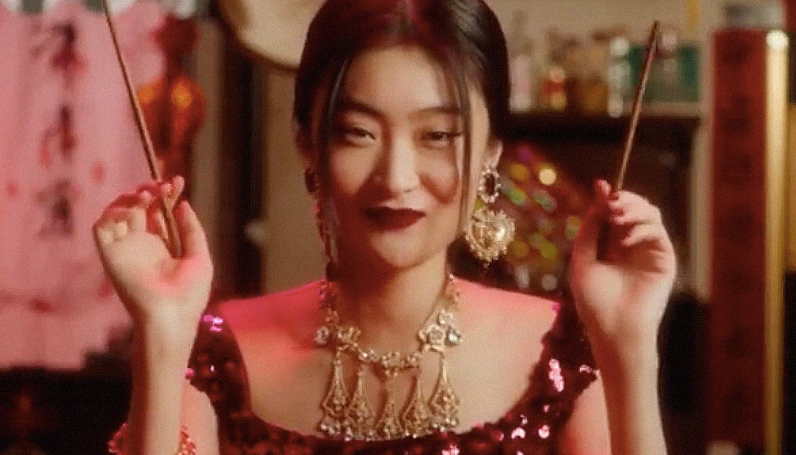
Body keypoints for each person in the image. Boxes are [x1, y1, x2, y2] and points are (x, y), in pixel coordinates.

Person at [93, 0, 676, 454]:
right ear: (308, 145)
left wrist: (629, 345)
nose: (396, 178)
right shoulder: (219, 355)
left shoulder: (564, 356)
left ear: (491, 152)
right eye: (359, 133)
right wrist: (161, 331)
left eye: (437, 136)